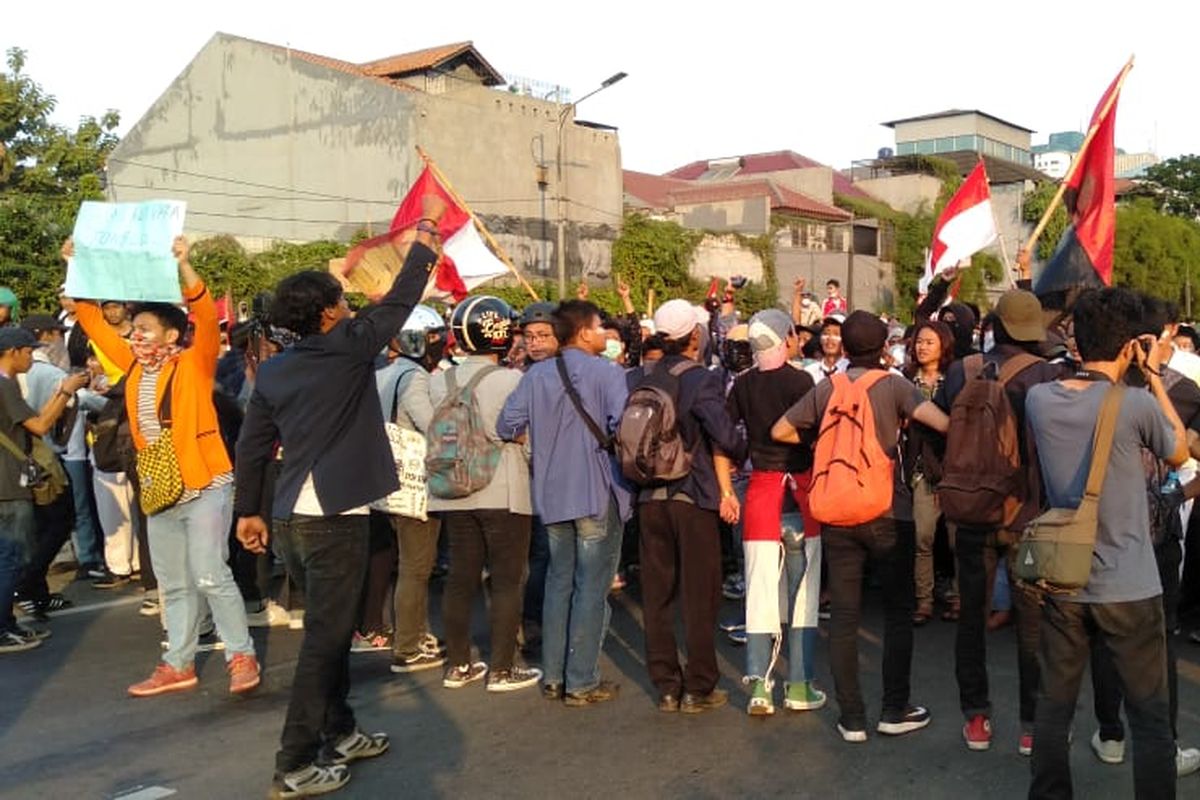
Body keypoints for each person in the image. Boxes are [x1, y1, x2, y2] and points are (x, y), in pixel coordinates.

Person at [235, 198, 445, 797]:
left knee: (327, 631)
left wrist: (248, 511)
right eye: (342, 300)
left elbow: (253, 449)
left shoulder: (274, 371)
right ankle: (295, 762)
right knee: (323, 645)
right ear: (329, 314)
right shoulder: (350, 345)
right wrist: (424, 244)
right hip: (333, 517)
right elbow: (401, 302)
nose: (350, 305)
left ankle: (342, 730)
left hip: (290, 518)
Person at [69, 236, 260, 698]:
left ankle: (241, 654)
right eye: (133, 329)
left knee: (211, 574)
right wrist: (79, 268)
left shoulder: (194, 364)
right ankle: (178, 662)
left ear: (172, 335)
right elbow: (91, 318)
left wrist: (186, 266)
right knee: (173, 583)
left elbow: (207, 319)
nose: (135, 336)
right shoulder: (131, 366)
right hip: (159, 487)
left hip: (205, 484)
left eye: (145, 329)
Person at [1026, 287, 1186, 798]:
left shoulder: (1039, 398)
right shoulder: (1135, 403)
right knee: (1150, 718)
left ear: (1077, 342)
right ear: (1129, 347)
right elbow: (1179, 450)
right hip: (1130, 582)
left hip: (1064, 575)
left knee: (1053, 708)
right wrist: (1154, 374)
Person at [772, 310, 949, 743]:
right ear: (884, 347)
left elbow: (780, 430)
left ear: (844, 347)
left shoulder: (828, 386)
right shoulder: (894, 385)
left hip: (836, 510)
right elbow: (941, 422)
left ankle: (851, 717)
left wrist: (822, 443)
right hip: (889, 511)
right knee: (897, 614)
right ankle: (894, 708)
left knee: (845, 616)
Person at [933, 290, 1066, 754]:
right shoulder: (1047, 376)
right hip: (1027, 515)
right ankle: (1031, 725)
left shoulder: (961, 370)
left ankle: (976, 718)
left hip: (970, 512)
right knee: (1032, 623)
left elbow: (943, 435)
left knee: (971, 615)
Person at [498, 299, 632, 707]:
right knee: (591, 587)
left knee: (559, 582)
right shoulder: (608, 373)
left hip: (551, 493)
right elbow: (621, 427)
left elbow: (507, 424)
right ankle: (581, 680)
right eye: (599, 327)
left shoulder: (536, 375)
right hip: (595, 489)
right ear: (584, 331)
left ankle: (554, 676)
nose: (604, 334)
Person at [634, 300, 746, 713]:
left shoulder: (640, 377)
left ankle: (665, 684)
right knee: (700, 593)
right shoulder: (702, 379)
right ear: (694, 335)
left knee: (657, 594)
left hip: (648, 498)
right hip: (693, 496)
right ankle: (700, 686)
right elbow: (724, 433)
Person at [429, 296, 540, 692]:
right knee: (508, 579)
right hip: (503, 489)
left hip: (452, 490)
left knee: (461, 576)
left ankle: (458, 666)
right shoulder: (513, 380)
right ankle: (502, 669)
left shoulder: (436, 380)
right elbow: (523, 435)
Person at [724, 309, 825, 716]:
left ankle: (760, 688)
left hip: (761, 493)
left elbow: (726, 437)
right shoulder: (803, 381)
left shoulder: (742, 385)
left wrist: (723, 488)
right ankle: (799, 686)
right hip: (800, 492)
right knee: (804, 596)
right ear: (786, 338)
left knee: (759, 591)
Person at [0, 327, 88, 653]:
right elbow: (39, 425)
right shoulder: (5, 385)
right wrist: (65, 392)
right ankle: (3, 627)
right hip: (9, 484)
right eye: (27, 352)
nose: (31, 358)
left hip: (8, 481)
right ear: (13, 352)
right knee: (11, 558)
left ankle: (7, 622)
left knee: (8, 556)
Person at [376, 304, 447, 673]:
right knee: (416, 567)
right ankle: (409, 645)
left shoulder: (383, 371)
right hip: (415, 484)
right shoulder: (414, 377)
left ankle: (412, 633)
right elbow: (430, 423)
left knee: (405, 564)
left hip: (385, 481)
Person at [514, 301, 559, 655]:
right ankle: (534, 624)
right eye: (530, 336)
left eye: (543, 335)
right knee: (542, 555)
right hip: (534, 477)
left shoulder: (568, 373)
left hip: (560, 476)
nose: (536, 343)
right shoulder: (522, 377)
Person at [904, 319, 954, 625]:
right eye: (919, 341)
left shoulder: (955, 380)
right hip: (921, 470)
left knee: (955, 539)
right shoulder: (906, 381)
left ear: (943, 346)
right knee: (923, 537)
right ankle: (924, 600)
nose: (921, 346)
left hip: (953, 469)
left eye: (929, 342)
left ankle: (958, 597)